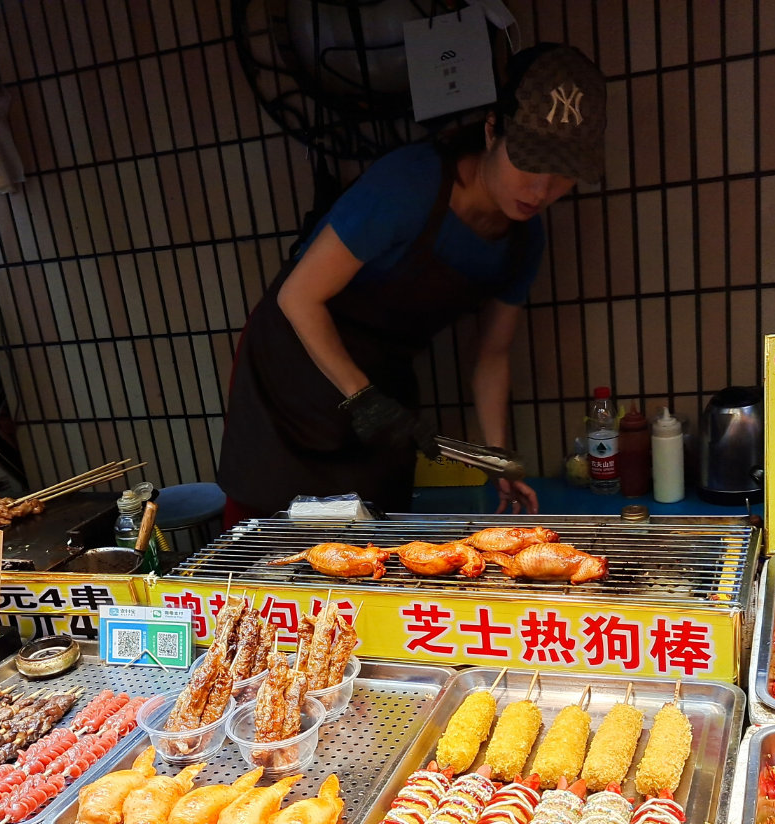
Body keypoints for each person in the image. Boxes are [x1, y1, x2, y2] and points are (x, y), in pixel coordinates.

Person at [217, 43, 606, 523]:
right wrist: (362, 398)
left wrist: (496, 457)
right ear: (491, 131)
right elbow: (298, 296)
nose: (541, 191)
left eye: (563, 174)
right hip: (293, 367)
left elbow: (492, 354)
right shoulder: (411, 183)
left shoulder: (524, 242)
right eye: (528, 162)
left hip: (381, 374)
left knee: (377, 523)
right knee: (268, 521)